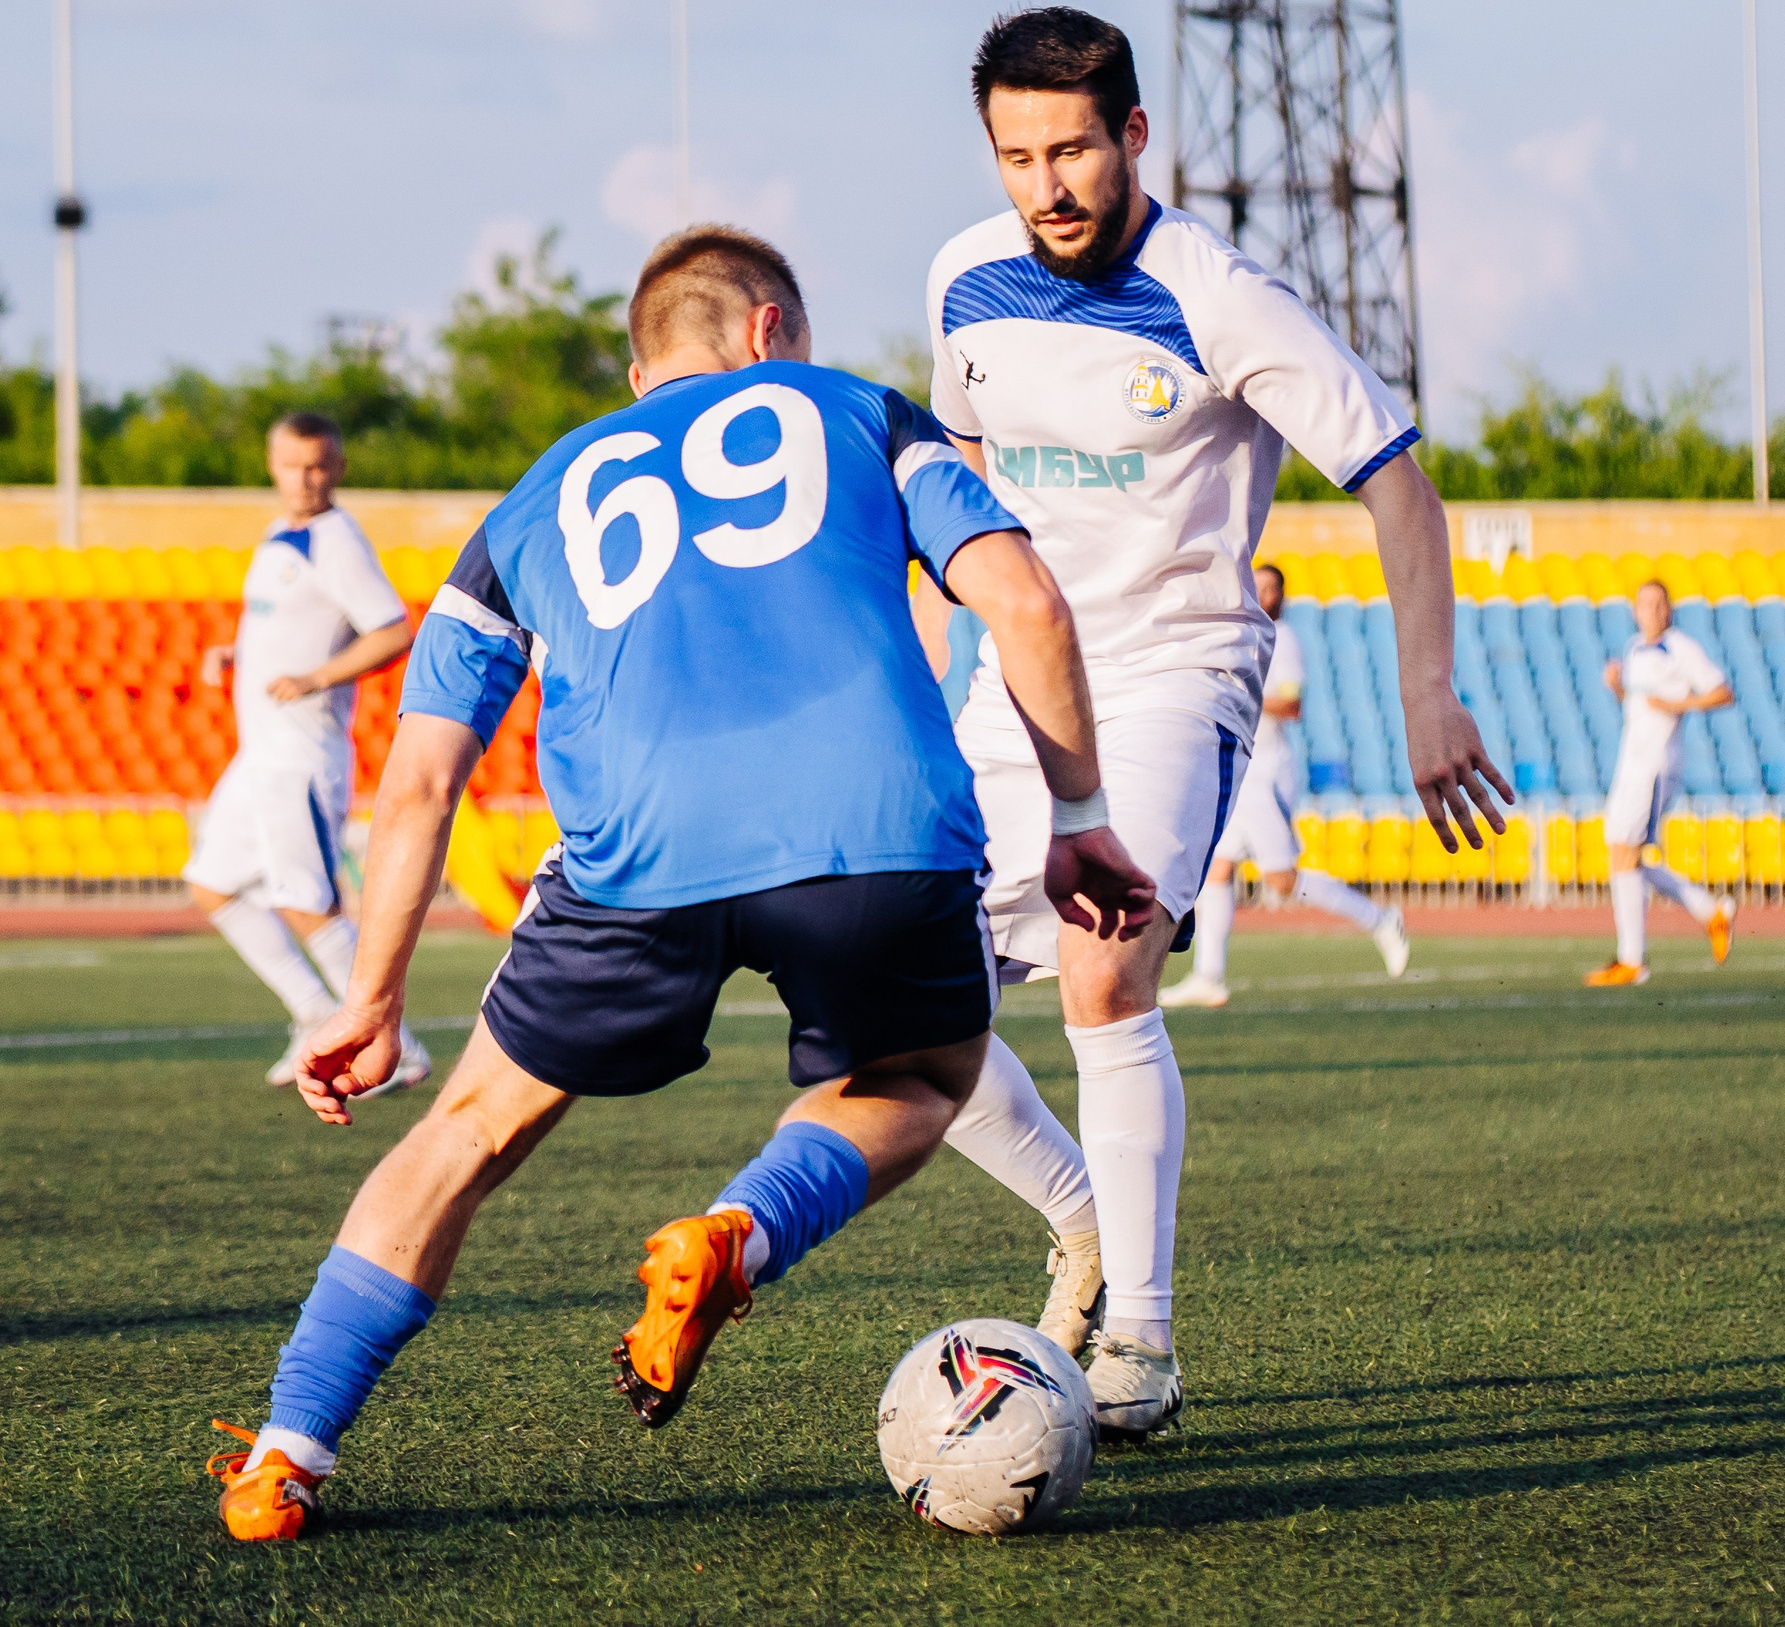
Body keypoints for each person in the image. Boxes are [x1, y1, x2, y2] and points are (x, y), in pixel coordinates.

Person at [204, 227, 1156, 1542]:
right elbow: (1030, 603)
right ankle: (738, 1233)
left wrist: (367, 994)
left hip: (635, 856)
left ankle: (284, 1455)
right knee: (925, 1079)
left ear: (641, 359)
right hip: (872, 824)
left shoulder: (533, 496)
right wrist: (1080, 818)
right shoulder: (862, 411)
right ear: (770, 328)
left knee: (467, 1131)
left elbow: (420, 781)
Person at [914, 8, 1509, 1437]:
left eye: (1070, 149)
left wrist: (1431, 690)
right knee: (897, 1009)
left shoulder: (1220, 291)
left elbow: (1396, 480)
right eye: (1015, 156)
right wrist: (922, 690)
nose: (1045, 185)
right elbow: (956, 484)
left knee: (1105, 972)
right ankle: (1081, 1216)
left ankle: (1144, 1343)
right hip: (1017, 682)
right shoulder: (961, 281)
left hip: (1177, 669)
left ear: (1132, 136)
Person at [183, 412, 432, 1096]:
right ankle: (315, 1012)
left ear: (339, 467)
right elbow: (291, 628)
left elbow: (391, 629)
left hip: (299, 751)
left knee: (308, 903)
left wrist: (318, 679)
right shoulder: (278, 536)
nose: (306, 477)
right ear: (272, 465)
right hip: (258, 751)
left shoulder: (334, 539)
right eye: (294, 464)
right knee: (212, 884)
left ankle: (398, 1047)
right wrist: (235, 653)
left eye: (320, 465)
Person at [1161, 562, 1410, 1008]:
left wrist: (1234, 697)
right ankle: (1209, 975)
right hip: (1239, 766)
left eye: (1270, 587)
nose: (1262, 594)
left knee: (1281, 879)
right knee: (1218, 869)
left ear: (1282, 595)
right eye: (1256, 585)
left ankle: (1380, 919)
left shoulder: (1283, 639)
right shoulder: (1243, 635)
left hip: (1264, 771)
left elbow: (1293, 705)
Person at [1584, 578, 1737, 986]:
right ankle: (1710, 912)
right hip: (1630, 760)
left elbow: (1723, 692)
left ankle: (1633, 960)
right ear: (1634, 610)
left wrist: (1678, 704)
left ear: (1668, 610)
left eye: (1658, 604)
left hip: (1655, 763)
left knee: (1627, 855)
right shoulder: (1634, 648)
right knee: (1622, 852)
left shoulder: (1680, 647)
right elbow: (1636, 704)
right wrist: (1617, 687)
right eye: (1643, 604)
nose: (1650, 610)